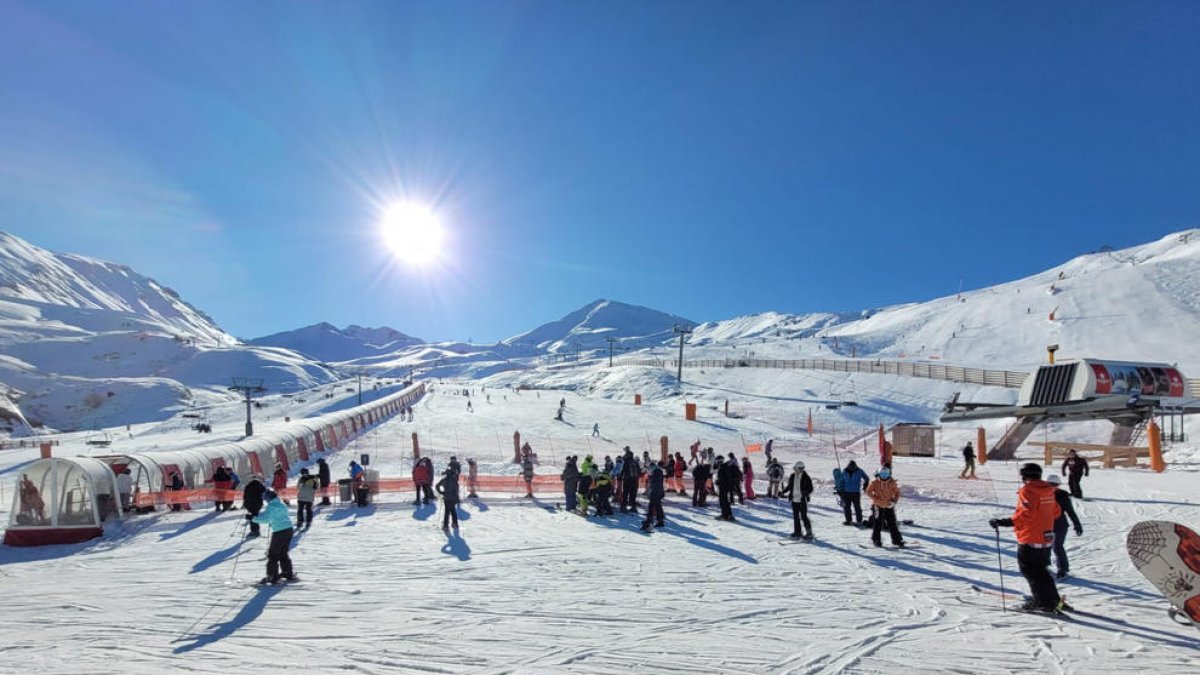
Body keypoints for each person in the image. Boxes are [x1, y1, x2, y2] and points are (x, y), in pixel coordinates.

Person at [989, 463, 1064, 613]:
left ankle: (1041, 602)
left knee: (1030, 571)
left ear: (1025, 475)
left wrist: (1005, 522)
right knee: (1041, 571)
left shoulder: (1029, 490)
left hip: (1030, 536)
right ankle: (1052, 600)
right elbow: (1056, 512)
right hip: (1046, 537)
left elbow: (1027, 514)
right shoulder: (1048, 489)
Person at [253, 490, 295, 585]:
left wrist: (253, 518)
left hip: (279, 531)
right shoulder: (281, 503)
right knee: (283, 552)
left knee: (273, 554)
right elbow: (273, 516)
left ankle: (272, 576)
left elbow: (266, 519)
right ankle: (287, 572)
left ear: (269, 498)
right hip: (288, 529)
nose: (265, 501)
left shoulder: (271, 506)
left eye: (265, 499)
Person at [1046, 474, 1084, 579]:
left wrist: (1077, 525)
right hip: (1046, 526)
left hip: (1060, 525)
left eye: (1055, 485)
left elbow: (1070, 512)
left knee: (1057, 546)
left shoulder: (1062, 496)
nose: (1052, 487)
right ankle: (1045, 566)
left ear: (1058, 485)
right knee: (1045, 547)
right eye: (1050, 484)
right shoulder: (1042, 495)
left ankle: (1063, 569)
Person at [865, 467, 905, 548]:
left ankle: (897, 540)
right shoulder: (874, 482)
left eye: (886, 474)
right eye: (882, 474)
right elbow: (868, 491)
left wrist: (894, 502)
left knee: (892, 523)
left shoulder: (892, 482)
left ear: (889, 474)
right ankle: (876, 540)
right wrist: (875, 499)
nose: (884, 476)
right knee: (878, 523)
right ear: (879, 474)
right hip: (878, 505)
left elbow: (897, 492)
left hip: (889, 505)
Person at [779, 462, 814, 540]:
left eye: (796, 468)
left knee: (803, 516)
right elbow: (789, 486)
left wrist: (806, 493)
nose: (795, 470)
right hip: (794, 499)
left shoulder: (806, 477)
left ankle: (809, 533)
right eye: (794, 468)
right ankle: (797, 532)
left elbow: (810, 488)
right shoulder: (792, 476)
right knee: (796, 516)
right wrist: (783, 492)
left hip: (802, 500)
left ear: (800, 469)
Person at [839, 461, 869, 525]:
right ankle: (848, 520)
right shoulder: (844, 471)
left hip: (856, 492)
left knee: (857, 507)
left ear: (855, 466)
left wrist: (866, 485)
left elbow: (866, 478)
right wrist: (840, 490)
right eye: (851, 467)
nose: (852, 468)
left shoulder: (859, 471)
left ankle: (859, 520)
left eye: (853, 467)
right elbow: (841, 481)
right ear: (848, 466)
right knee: (847, 507)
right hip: (846, 492)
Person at [641, 462, 666, 532]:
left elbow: (654, 483)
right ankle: (659, 521)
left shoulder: (656, 472)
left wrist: (650, 477)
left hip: (655, 492)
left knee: (651, 507)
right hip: (658, 491)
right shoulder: (658, 471)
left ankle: (649, 521)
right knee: (657, 506)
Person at [716, 454, 739, 521]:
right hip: (727, 486)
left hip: (723, 486)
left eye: (717, 461)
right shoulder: (726, 466)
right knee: (725, 500)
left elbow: (723, 478)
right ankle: (729, 515)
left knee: (722, 501)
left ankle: (725, 515)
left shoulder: (722, 467)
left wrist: (718, 482)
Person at [620, 448, 640, 513]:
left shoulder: (626, 463)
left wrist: (620, 477)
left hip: (627, 480)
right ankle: (633, 507)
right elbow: (639, 472)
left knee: (625, 494)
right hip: (635, 481)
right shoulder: (636, 463)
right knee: (633, 494)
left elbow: (623, 471)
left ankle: (624, 507)